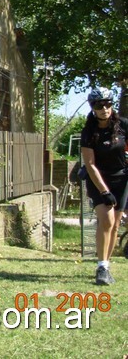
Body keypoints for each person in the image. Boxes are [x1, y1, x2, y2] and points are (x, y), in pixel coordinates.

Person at [80, 87, 128, 286]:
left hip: (122, 179)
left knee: (115, 224)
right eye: (99, 105)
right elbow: (90, 164)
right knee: (106, 220)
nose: (104, 109)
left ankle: (106, 266)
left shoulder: (123, 125)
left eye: (108, 104)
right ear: (93, 108)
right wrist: (104, 191)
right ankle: (101, 267)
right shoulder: (89, 131)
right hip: (98, 179)